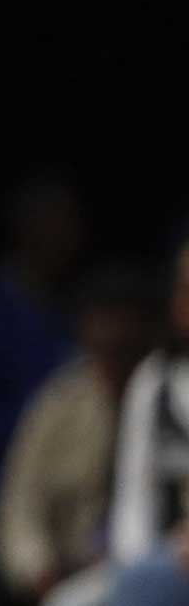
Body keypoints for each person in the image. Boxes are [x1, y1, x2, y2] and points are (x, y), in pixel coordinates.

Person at [0, 267, 157, 601]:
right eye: (102, 345)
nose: (112, 358)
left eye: (124, 347)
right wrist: (39, 570)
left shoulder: (168, 396)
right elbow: (19, 507)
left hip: (151, 573)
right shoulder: (58, 405)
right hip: (67, 572)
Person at [0, 172, 86, 515]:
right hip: (3, 490)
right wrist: (47, 423)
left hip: (73, 490)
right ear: (26, 227)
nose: (72, 233)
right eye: (57, 221)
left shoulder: (73, 302)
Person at [107, 238, 189, 605]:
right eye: (184, 289)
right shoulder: (153, 382)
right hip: (164, 560)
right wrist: (134, 564)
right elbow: (133, 494)